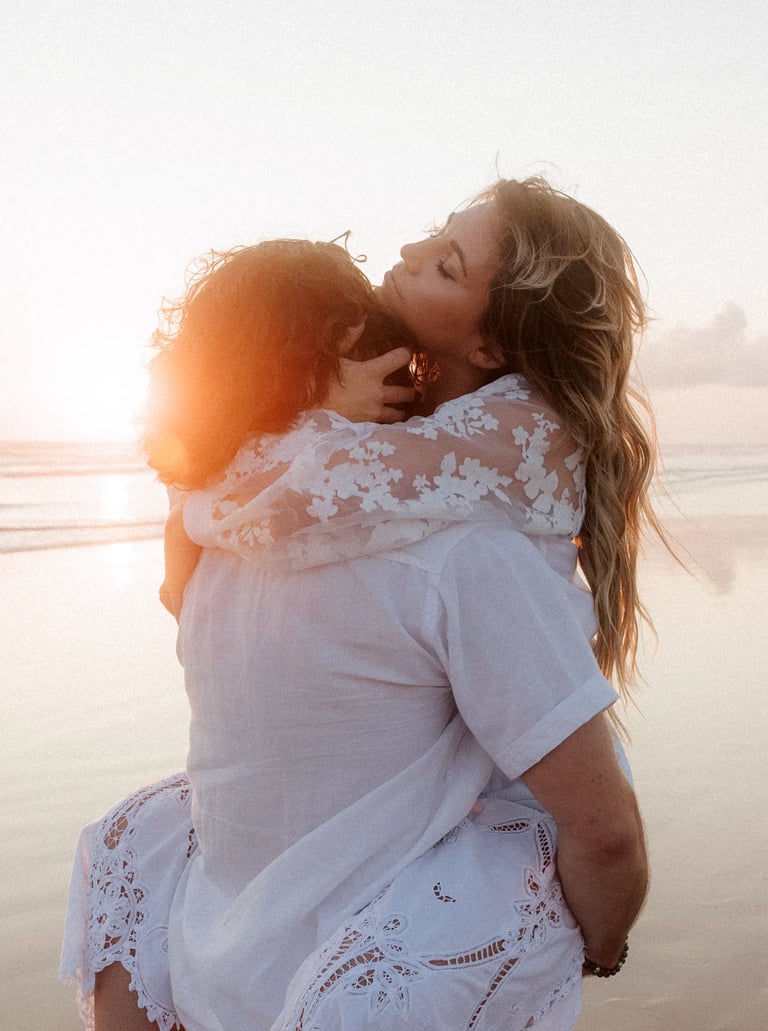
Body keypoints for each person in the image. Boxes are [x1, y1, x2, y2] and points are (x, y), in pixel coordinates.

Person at [62, 176, 655, 1031]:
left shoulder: (217, 533)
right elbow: (605, 835)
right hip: (378, 979)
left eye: (445, 260)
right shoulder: (468, 555)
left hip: (216, 961)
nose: (408, 252)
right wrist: (599, 945)